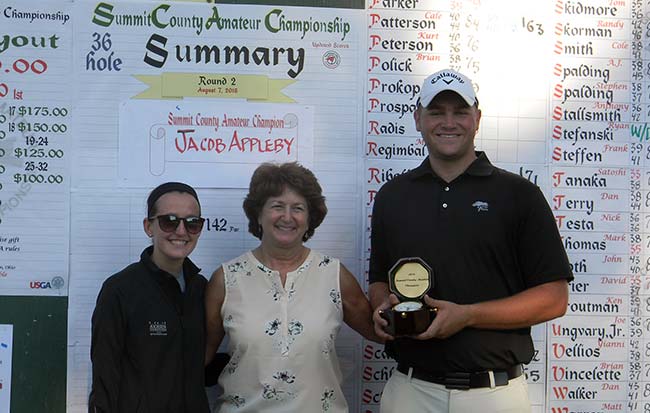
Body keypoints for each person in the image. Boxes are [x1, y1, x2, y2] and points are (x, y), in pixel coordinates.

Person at [369, 69, 574, 412]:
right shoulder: (392, 196)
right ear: (418, 118)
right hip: (410, 391)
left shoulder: (519, 195)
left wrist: (467, 316)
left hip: (494, 394)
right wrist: (380, 307)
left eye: (460, 111)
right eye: (436, 112)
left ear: (477, 119)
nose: (448, 122)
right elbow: (379, 279)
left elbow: (554, 299)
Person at [205, 162, 381, 412]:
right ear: (258, 214)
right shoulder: (225, 279)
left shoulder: (334, 274)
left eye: (298, 208)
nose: (287, 217)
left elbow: (380, 331)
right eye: (277, 206)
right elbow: (200, 357)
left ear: (310, 219)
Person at [89, 182, 209, 413]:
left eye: (192, 223)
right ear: (148, 227)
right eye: (169, 221)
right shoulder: (119, 290)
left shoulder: (201, 289)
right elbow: (105, 378)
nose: (181, 231)